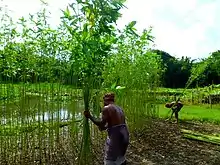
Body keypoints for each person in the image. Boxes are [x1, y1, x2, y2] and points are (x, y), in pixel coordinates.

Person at [84, 93, 129, 165]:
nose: (103, 103)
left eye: (103, 101)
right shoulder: (120, 108)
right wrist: (104, 127)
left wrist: (89, 116)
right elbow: (117, 124)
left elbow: (101, 123)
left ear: (105, 100)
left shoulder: (107, 108)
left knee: (109, 160)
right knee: (120, 158)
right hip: (125, 136)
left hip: (116, 137)